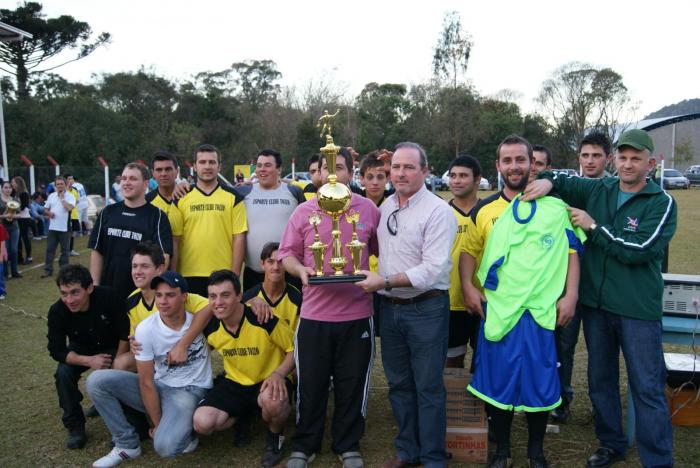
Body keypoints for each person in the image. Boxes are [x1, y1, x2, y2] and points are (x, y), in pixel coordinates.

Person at [524, 129, 677, 468]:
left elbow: (640, 250)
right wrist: (548, 182)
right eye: (623, 157)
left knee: (647, 387)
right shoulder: (599, 187)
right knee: (600, 380)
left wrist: (594, 227)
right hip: (596, 307)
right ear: (614, 160)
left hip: (637, 310)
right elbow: (557, 176)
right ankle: (612, 443)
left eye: (636, 158)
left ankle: (658, 459)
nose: (627, 164)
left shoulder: (661, 202)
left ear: (650, 163)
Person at [462, 136, 581, 468]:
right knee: (498, 381)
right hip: (499, 311)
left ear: (533, 164)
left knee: (540, 385)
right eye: (507, 161)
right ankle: (502, 451)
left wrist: (570, 295)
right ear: (497, 166)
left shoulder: (555, 207)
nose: (514, 166)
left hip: (540, 313)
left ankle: (536, 451)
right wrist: (468, 289)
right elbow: (469, 253)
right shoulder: (484, 209)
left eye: (520, 160)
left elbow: (573, 252)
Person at [355, 142, 456, 468]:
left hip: (426, 308)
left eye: (409, 167)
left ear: (425, 171)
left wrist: (383, 282)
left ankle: (432, 458)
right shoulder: (385, 207)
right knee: (399, 385)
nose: (400, 173)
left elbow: (432, 270)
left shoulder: (438, 212)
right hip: (391, 309)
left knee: (427, 388)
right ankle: (408, 452)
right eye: (395, 167)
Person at [278, 148, 380, 468]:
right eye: (325, 168)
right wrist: (300, 271)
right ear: (316, 174)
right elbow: (287, 255)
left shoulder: (368, 210)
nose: (331, 173)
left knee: (352, 385)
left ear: (350, 174)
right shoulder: (303, 211)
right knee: (312, 383)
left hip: (357, 315)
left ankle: (347, 443)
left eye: (339, 167)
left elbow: (383, 251)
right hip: (314, 315)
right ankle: (305, 444)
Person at [86, 271, 212, 466]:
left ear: (184, 297)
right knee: (97, 381)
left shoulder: (198, 320)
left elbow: (225, 305)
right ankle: (127, 444)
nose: (162, 301)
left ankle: (186, 433)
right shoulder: (146, 329)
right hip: (160, 386)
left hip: (190, 390)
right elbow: (146, 381)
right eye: (159, 295)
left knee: (165, 447)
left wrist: (257, 301)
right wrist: (158, 423)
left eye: (170, 295)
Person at [194, 269, 296, 467]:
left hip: (269, 379)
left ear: (240, 296)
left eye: (225, 295)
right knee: (202, 423)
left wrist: (279, 374)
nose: (218, 302)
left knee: (272, 402)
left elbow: (294, 349)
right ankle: (244, 414)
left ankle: (275, 438)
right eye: (213, 296)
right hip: (236, 382)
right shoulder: (211, 328)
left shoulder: (263, 318)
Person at [47, 264, 129, 449]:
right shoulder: (57, 311)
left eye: (75, 292)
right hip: (81, 349)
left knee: (122, 369)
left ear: (89, 288)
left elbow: (126, 332)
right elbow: (56, 349)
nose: (69, 299)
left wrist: (119, 360)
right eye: (64, 293)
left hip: (113, 346)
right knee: (63, 373)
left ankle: (127, 418)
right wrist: (88, 360)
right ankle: (75, 426)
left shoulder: (110, 297)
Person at [114, 241, 211, 372]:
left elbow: (208, 307)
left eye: (144, 266)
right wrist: (134, 342)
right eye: (134, 266)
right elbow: (136, 337)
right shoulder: (131, 301)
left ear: (160, 269)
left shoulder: (172, 292)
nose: (137, 271)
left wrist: (183, 345)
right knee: (120, 363)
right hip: (156, 353)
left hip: (184, 351)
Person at [89, 163, 173, 299]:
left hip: (140, 294)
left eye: (133, 179)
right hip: (107, 291)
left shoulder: (156, 216)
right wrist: (95, 285)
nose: (126, 183)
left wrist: (153, 289)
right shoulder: (108, 212)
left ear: (145, 184)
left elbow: (164, 257)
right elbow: (97, 251)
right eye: (124, 178)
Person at [177, 144, 247, 296]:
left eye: (212, 162)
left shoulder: (234, 197)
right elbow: (176, 240)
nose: (207, 166)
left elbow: (239, 238)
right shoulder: (181, 197)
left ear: (219, 166)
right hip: (188, 274)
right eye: (202, 162)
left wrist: (234, 277)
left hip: (223, 275)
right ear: (194, 166)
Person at [239, 149, 304, 290]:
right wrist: (180, 186)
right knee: (255, 312)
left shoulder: (294, 192)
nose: (262, 169)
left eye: (268, 165)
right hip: (254, 273)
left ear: (279, 169)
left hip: (288, 272)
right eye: (259, 165)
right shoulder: (243, 193)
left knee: (292, 312)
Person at [444, 155, 481, 369]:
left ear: (477, 179)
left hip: (484, 298)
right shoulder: (441, 212)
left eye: (463, 176)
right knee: (451, 361)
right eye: (453, 176)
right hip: (450, 300)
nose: (456, 181)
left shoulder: (488, 211)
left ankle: (481, 403)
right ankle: (453, 403)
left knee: (484, 360)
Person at [241, 242, 302, 331]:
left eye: (280, 262)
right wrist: (249, 303)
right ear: (262, 264)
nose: (276, 267)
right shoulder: (249, 297)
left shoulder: (297, 299)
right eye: (270, 262)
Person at [145, 150, 184, 271]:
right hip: (159, 272)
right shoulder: (146, 202)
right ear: (153, 173)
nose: (163, 174)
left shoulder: (189, 197)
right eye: (159, 170)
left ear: (176, 171)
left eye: (168, 169)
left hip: (190, 268)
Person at [41, 176, 76, 278]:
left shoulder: (70, 196)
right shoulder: (51, 196)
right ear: (55, 185)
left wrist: (62, 199)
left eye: (61, 184)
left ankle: (64, 271)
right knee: (50, 250)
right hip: (53, 228)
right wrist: (49, 213)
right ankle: (48, 270)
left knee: (64, 251)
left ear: (65, 185)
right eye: (58, 184)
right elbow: (45, 209)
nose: (59, 186)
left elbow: (69, 208)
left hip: (64, 228)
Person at [0, 180, 21, 279]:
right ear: (2, 188)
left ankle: (14, 271)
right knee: (5, 250)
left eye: (9, 187)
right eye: (6, 187)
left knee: (14, 250)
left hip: (14, 227)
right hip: (2, 228)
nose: (8, 189)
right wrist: (5, 216)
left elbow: (19, 214)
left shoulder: (15, 200)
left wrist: (14, 216)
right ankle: (5, 273)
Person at [12, 176, 33, 264]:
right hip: (17, 218)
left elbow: (22, 208)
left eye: (13, 182)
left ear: (18, 183)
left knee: (25, 238)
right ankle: (19, 257)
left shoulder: (24, 194)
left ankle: (29, 257)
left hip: (24, 218)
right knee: (18, 239)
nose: (12, 184)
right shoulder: (14, 193)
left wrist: (11, 207)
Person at [66, 175, 82, 256]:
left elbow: (77, 201)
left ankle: (70, 250)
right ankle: (66, 250)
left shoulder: (75, 190)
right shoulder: (64, 190)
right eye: (69, 179)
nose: (71, 180)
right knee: (67, 233)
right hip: (67, 215)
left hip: (74, 214)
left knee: (72, 233)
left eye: (72, 178)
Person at [0, 223, 7, 299]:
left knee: (0, 274)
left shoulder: (1, 227)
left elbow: (2, 242)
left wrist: (1, 255)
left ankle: (1, 292)